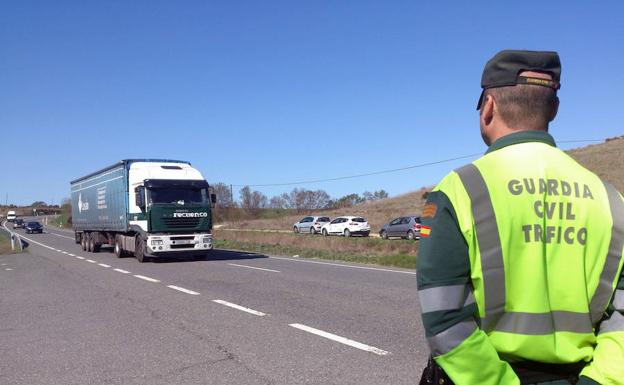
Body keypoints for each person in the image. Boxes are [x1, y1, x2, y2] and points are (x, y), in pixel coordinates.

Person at [416, 50, 624, 385]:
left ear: (488, 107)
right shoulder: (612, 200)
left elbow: (445, 321)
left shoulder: (458, 191)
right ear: (553, 109)